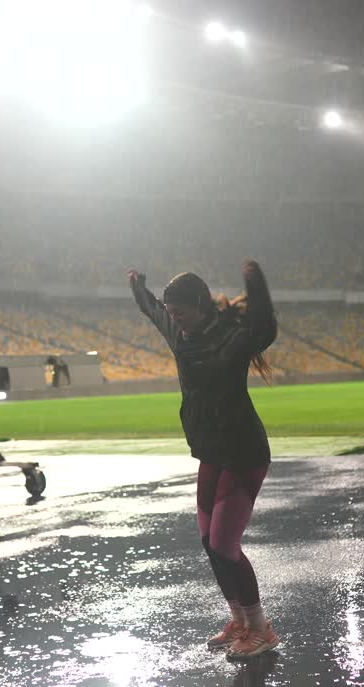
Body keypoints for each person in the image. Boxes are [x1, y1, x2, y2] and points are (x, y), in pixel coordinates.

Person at [128, 259, 280, 660]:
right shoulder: (180, 335)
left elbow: (264, 330)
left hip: (243, 450)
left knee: (224, 544)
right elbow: (155, 312)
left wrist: (258, 287)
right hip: (211, 450)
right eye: (172, 312)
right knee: (208, 542)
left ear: (200, 305)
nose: (175, 320)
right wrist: (140, 291)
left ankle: (261, 629)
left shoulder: (229, 337)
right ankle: (239, 621)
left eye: (180, 312)